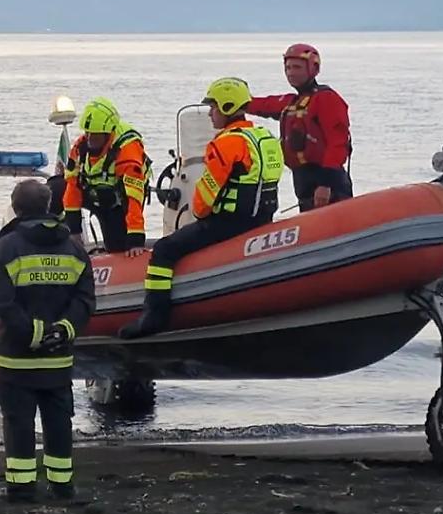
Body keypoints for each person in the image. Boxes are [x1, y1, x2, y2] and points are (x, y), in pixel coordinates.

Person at [118, 77, 284, 339]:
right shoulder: (265, 139)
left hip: (228, 223)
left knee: (164, 250)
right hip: (262, 219)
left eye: (214, 107)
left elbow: (203, 201)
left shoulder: (225, 143)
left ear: (227, 107)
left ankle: (154, 314)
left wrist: (199, 217)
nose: (210, 113)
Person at [0, 179, 95, 502]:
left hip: (15, 360)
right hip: (58, 360)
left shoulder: (6, 248)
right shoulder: (75, 249)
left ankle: (21, 489)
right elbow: (85, 300)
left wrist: (34, 334)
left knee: (19, 424)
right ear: (49, 206)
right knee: (59, 424)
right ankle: (62, 487)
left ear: (16, 208)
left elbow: (4, 304)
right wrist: (62, 330)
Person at [247, 43, 354, 211]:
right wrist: (234, 100)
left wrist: (325, 184)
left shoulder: (326, 99)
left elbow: (338, 144)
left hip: (328, 182)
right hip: (304, 181)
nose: (291, 73)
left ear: (313, 69)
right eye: (288, 68)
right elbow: (265, 104)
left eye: (296, 67)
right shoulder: (293, 102)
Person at [62, 97, 152, 256]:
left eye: (95, 136)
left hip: (118, 200)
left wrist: (136, 239)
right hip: (94, 192)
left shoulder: (127, 150)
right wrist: (74, 231)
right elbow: (72, 189)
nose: (90, 140)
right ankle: (51, 243)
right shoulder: (80, 147)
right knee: (55, 188)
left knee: (117, 246)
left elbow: (134, 199)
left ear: (107, 134)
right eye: (87, 134)